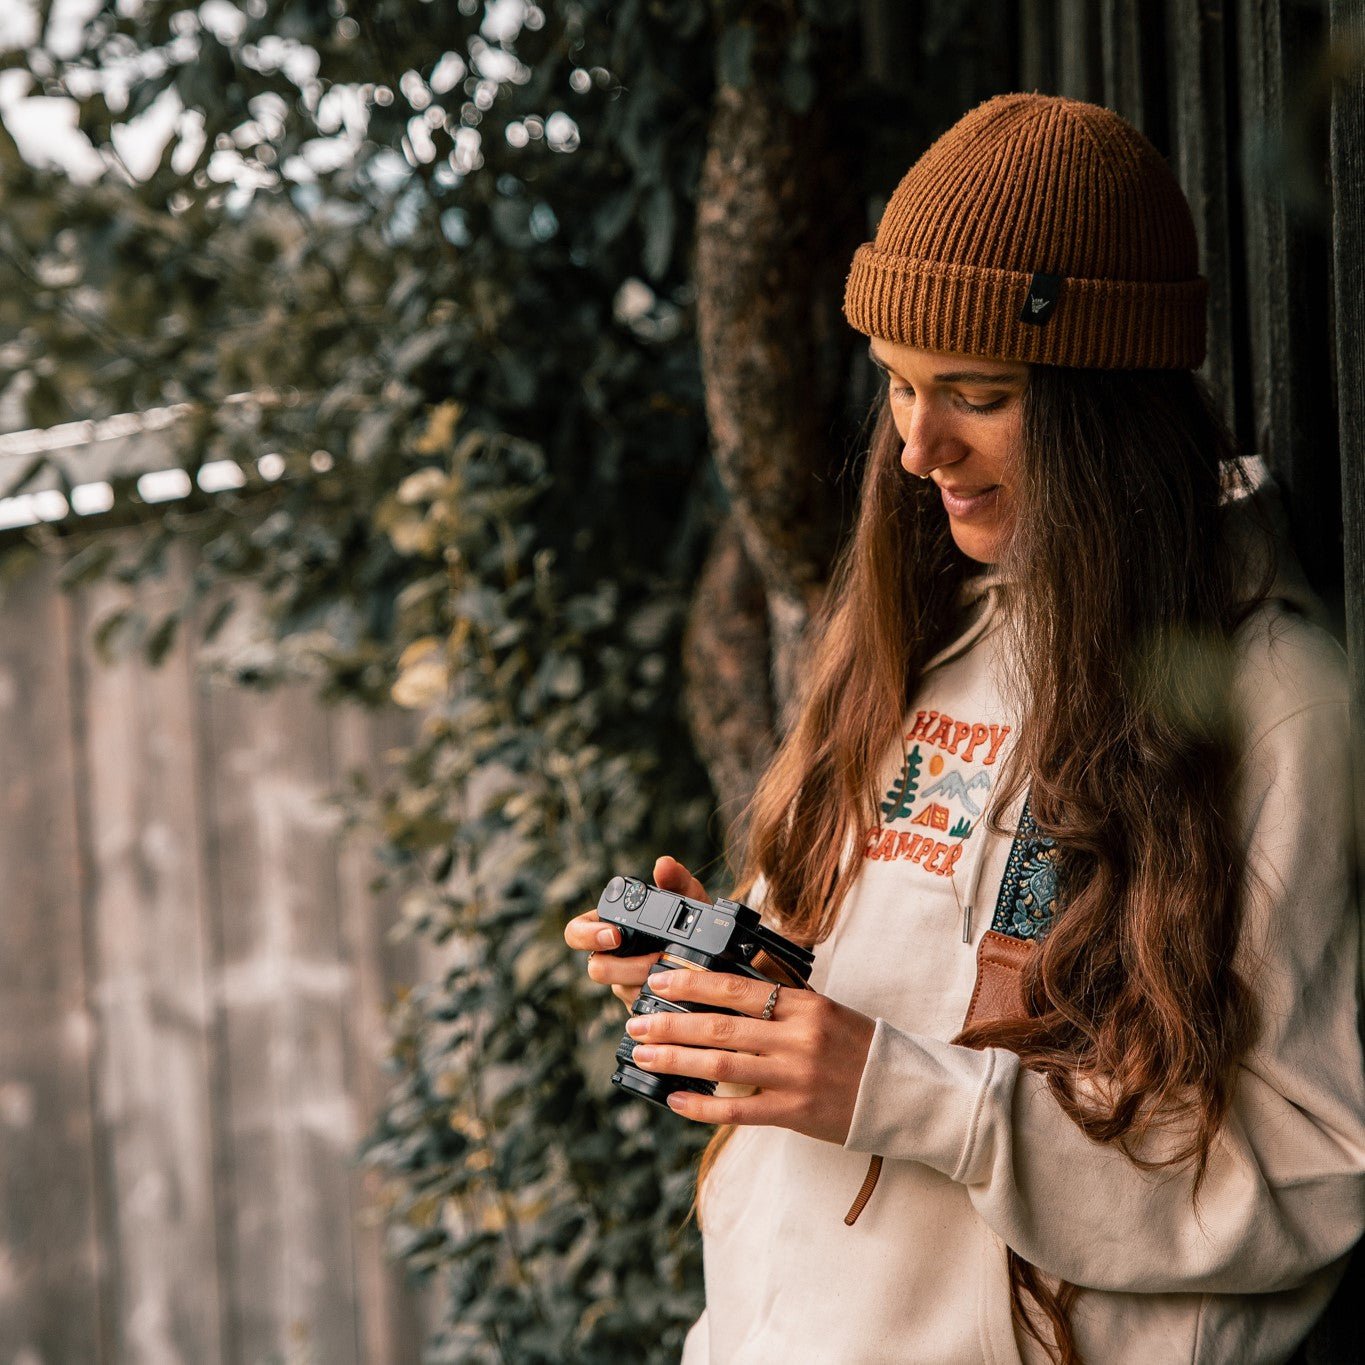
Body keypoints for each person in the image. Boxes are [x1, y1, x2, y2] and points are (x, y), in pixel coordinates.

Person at [563, 92, 1365, 1364]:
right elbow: (875, 1014)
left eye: (975, 394)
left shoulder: (1274, 704)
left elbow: (1311, 1177)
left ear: (1108, 409)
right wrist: (737, 988)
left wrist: (908, 1096)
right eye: (898, 386)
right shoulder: (914, 639)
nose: (917, 448)